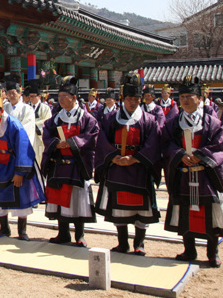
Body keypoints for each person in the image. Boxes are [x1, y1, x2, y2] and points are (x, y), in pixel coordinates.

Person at [95, 73, 162, 256]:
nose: (133, 102)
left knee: (142, 207)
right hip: (117, 167)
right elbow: (101, 140)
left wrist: (134, 158)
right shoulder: (110, 119)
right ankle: (122, 243)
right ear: (122, 99)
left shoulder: (149, 120)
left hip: (139, 167)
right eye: (129, 98)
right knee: (119, 207)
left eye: (136, 98)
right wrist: (113, 156)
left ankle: (139, 243)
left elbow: (153, 144)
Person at [163, 75, 223, 268]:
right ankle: (189, 249)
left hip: (205, 174)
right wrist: (180, 154)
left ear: (199, 98)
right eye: (182, 97)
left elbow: (219, 144)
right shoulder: (173, 123)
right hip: (183, 173)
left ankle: (212, 252)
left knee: (210, 211)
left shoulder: (212, 122)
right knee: (184, 210)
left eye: (190, 96)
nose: (186, 100)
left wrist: (202, 155)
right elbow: (166, 143)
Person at [0, 88, 46, 240]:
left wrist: (20, 173)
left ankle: (22, 231)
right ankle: (4, 228)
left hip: (13, 162)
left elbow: (23, 147)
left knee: (20, 196)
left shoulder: (13, 124)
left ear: (0, 110)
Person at [41, 76, 99, 247]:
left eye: (64, 96)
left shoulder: (86, 118)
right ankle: (63, 233)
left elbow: (92, 135)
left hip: (77, 163)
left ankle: (80, 235)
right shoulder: (55, 118)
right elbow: (47, 134)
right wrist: (56, 144)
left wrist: (73, 143)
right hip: (59, 163)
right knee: (59, 199)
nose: (60, 100)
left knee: (77, 199)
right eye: (59, 97)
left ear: (74, 98)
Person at [26, 79, 52, 165]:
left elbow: (47, 121)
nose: (32, 98)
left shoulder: (45, 108)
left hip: (39, 139)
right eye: (30, 96)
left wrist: (33, 124)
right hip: (28, 137)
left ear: (39, 96)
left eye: (34, 96)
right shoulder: (26, 107)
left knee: (39, 160)